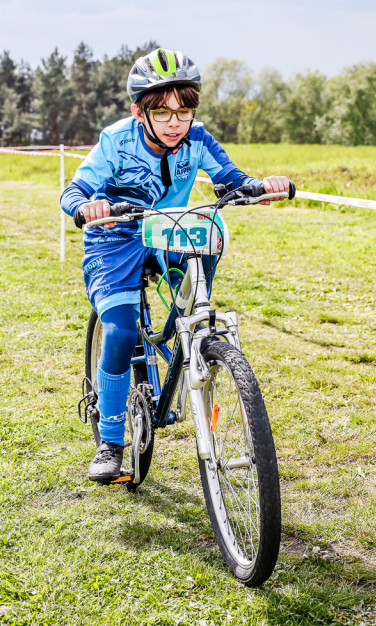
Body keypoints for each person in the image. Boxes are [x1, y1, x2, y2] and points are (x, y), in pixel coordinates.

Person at [60, 47, 291, 483]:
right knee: (124, 331)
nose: (175, 123)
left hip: (169, 230)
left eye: (183, 111)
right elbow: (74, 191)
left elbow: (232, 179)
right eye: (163, 113)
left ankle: (189, 337)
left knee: (205, 253)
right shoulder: (116, 141)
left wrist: (261, 187)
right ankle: (110, 442)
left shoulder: (197, 139)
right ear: (138, 111)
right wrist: (88, 207)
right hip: (115, 237)